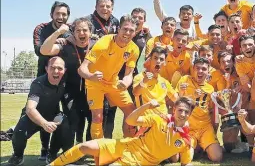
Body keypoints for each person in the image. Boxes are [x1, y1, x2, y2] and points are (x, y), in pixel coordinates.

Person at [48, 97, 196, 166]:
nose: (182, 114)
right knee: (85, 147)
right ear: (174, 109)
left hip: (139, 161)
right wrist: (146, 106)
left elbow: (185, 163)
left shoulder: (186, 141)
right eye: (180, 110)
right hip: (127, 145)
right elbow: (130, 121)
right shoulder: (160, 119)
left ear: (190, 114)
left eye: (186, 112)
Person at [78, 14, 139, 139]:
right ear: (118, 29)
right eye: (125, 29)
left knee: (132, 112)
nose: (127, 33)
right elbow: (82, 69)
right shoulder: (104, 42)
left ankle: (129, 144)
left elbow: (128, 74)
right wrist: (90, 76)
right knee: (97, 117)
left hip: (113, 83)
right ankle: (98, 152)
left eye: (131, 30)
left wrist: (126, 83)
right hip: (95, 82)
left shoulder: (134, 49)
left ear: (135, 32)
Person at [8, 57, 73, 166]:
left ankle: (52, 153)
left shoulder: (65, 82)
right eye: (52, 68)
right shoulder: (38, 84)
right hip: (32, 117)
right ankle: (17, 156)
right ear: (46, 69)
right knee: (19, 132)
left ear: (64, 70)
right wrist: (44, 123)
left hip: (52, 115)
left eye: (59, 68)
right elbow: (30, 109)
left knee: (64, 122)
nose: (56, 71)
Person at [40, 17, 95, 145]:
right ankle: (69, 152)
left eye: (85, 30)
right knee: (72, 120)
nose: (81, 33)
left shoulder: (96, 45)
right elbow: (44, 50)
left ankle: (87, 148)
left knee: (93, 120)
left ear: (90, 32)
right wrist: (57, 33)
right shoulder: (65, 44)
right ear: (72, 32)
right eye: (78, 30)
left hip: (91, 91)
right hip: (70, 92)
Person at [32, 1, 71, 160]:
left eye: (64, 14)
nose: (61, 17)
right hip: (45, 78)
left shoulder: (70, 30)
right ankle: (44, 148)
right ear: (51, 15)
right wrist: (57, 36)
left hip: (65, 79)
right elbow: (39, 50)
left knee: (67, 115)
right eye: (58, 14)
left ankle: (61, 149)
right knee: (45, 112)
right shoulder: (41, 28)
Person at [176, 58, 223, 162]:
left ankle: (204, 146)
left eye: (204, 69)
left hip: (205, 127)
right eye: (197, 68)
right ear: (193, 69)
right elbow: (178, 104)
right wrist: (185, 94)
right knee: (182, 158)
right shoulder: (185, 80)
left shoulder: (210, 89)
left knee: (217, 157)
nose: (200, 71)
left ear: (208, 71)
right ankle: (196, 146)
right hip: (189, 127)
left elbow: (211, 110)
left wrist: (215, 128)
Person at [133, 46, 179, 115]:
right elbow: (135, 93)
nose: (158, 61)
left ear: (165, 63)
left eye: (161, 59)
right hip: (146, 121)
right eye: (155, 58)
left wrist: (182, 92)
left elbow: (176, 99)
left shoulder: (164, 82)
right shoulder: (140, 77)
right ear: (150, 59)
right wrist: (143, 81)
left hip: (163, 121)